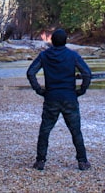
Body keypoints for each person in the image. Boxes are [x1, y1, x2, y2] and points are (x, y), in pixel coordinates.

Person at [26, 28, 92, 171]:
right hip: (70, 97)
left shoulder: (44, 55)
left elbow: (31, 73)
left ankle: (40, 161)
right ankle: (82, 161)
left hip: (51, 97)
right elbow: (87, 73)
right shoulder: (73, 55)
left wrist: (39, 90)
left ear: (52, 41)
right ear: (65, 40)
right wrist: (81, 90)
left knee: (45, 130)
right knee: (75, 131)